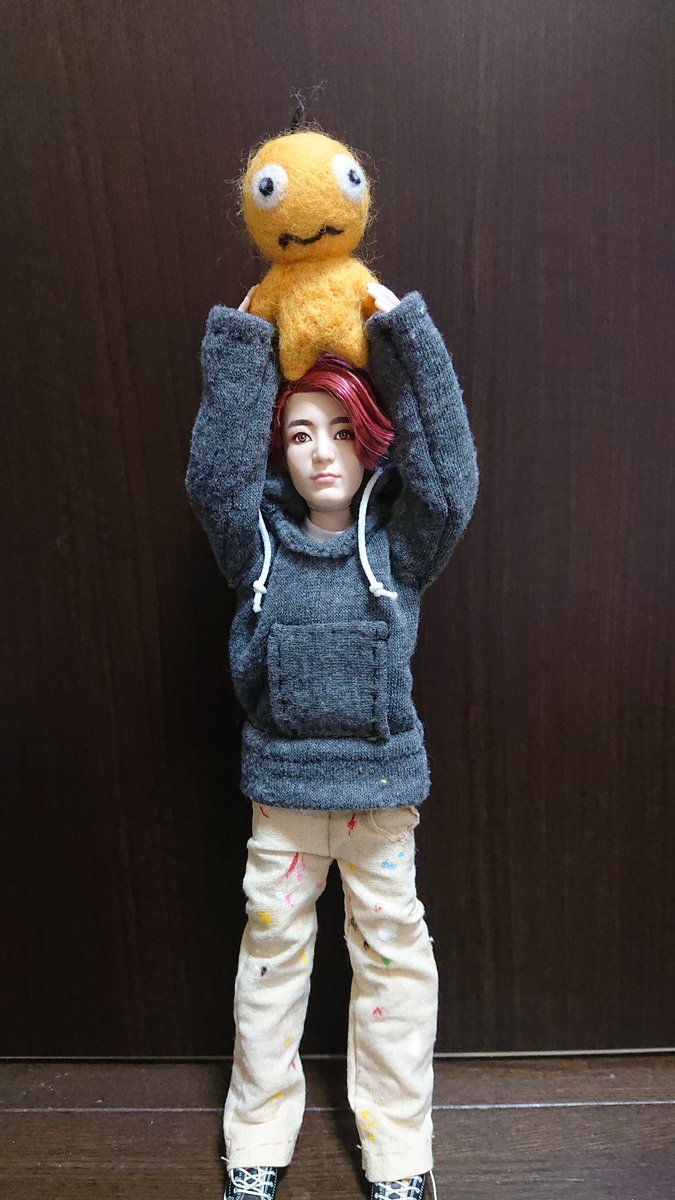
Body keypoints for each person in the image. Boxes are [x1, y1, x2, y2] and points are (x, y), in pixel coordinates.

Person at [185, 281, 479, 1200]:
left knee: (394, 962)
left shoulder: (399, 547)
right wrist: (245, 341)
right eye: (300, 433)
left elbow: (451, 481)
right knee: (270, 966)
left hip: (380, 797)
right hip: (282, 796)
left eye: (343, 430)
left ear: (371, 437)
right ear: (279, 445)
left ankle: (398, 1155)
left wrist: (398, 331)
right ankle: (255, 1142)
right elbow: (214, 481)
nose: (321, 452)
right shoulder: (256, 545)